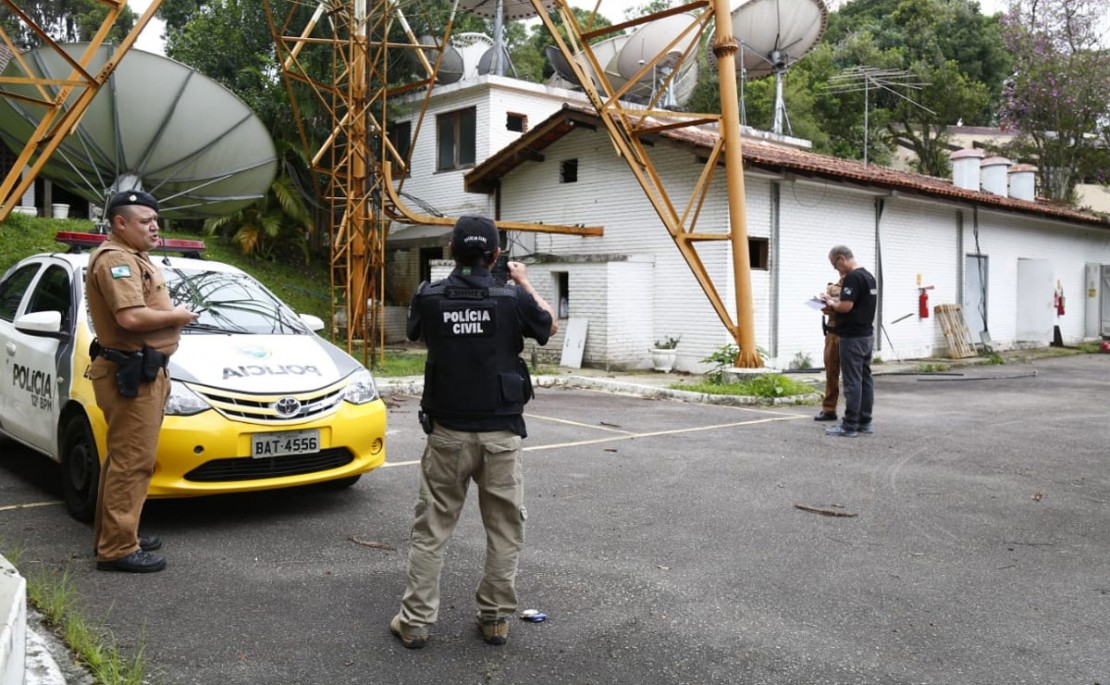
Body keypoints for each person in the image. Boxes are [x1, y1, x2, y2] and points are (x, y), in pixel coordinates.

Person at [391, 215, 557, 650]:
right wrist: (523, 282)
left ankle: (415, 623)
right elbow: (548, 326)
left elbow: (415, 332)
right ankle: (495, 619)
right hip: (500, 435)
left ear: (450, 250)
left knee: (432, 530)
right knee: (504, 530)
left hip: (446, 433)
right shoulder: (511, 297)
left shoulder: (429, 296)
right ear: (497, 255)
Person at [85, 190, 197, 572]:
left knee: (124, 459)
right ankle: (117, 548)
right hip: (130, 372)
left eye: (155, 219)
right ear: (120, 223)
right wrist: (178, 316)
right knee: (133, 462)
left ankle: (117, 532)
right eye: (145, 220)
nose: (155, 226)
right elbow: (131, 318)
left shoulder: (134, 257)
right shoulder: (116, 260)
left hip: (141, 369)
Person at [819, 245, 877, 438]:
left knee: (852, 381)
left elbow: (845, 307)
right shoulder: (869, 277)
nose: (836, 269)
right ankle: (865, 421)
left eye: (835, 265)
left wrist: (830, 302)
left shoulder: (853, 277)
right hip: (867, 335)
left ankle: (849, 425)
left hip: (852, 337)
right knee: (865, 379)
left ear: (841, 258)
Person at [814, 278, 843, 422]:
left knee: (853, 376)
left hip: (850, 334)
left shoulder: (856, 284)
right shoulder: (833, 288)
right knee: (831, 373)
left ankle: (855, 412)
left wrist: (834, 304)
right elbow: (824, 309)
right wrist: (830, 304)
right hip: (832, 334)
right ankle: (829, 409)